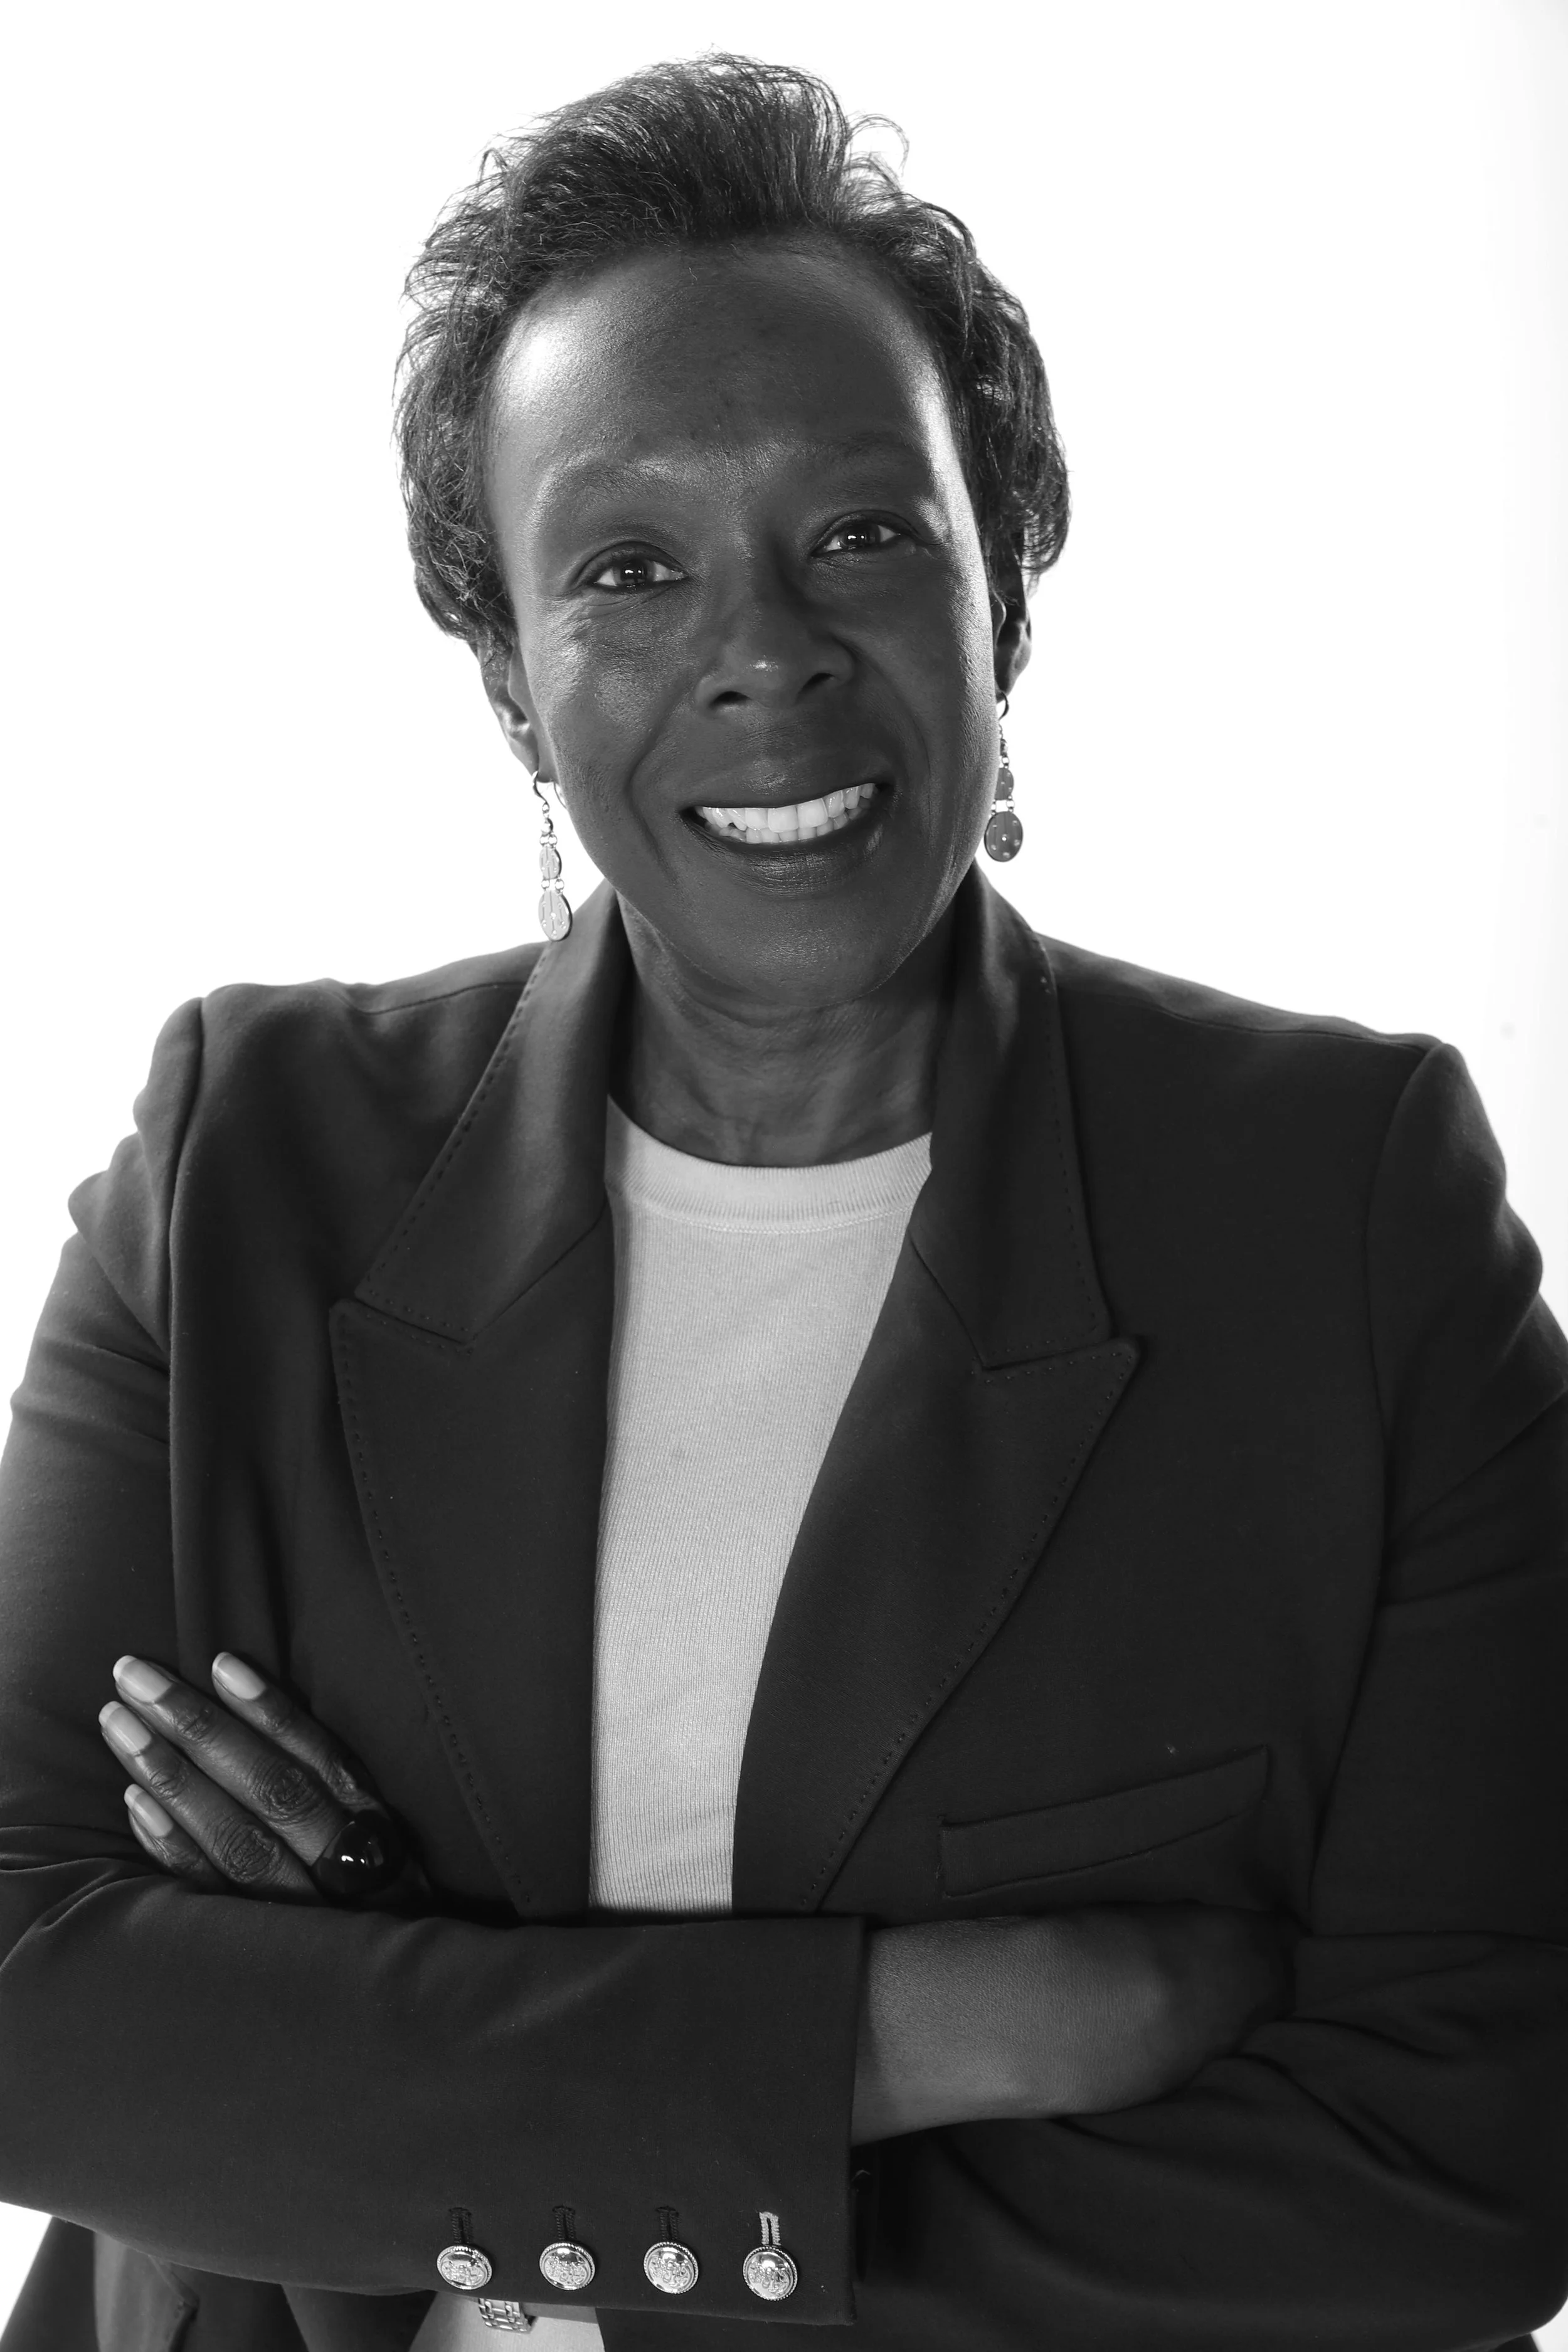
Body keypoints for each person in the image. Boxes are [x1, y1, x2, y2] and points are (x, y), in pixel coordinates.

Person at [0, 51, 1564, 2352]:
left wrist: (400, 2023)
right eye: (627, 568)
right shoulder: (244, 1159)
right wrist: (903, 2035)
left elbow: (1464, 2171)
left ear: (999, 594)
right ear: (509, 679)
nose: (764, 649)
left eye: (863, 532)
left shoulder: (1339, 1206)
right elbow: (29, 1999)